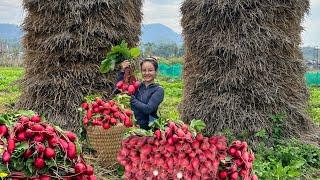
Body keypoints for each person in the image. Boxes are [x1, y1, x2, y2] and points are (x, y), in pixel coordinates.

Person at [117, 57, 164, 130]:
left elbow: (148, 109)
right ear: (141, 71)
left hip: (149, 129)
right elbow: (120, 89)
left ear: (156, 71)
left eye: (150, 70)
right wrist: (123, 71)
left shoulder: (158, 90)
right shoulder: (137, 85)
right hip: (133, 127)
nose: (147, 73)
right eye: (144, 70)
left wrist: (132, 99)